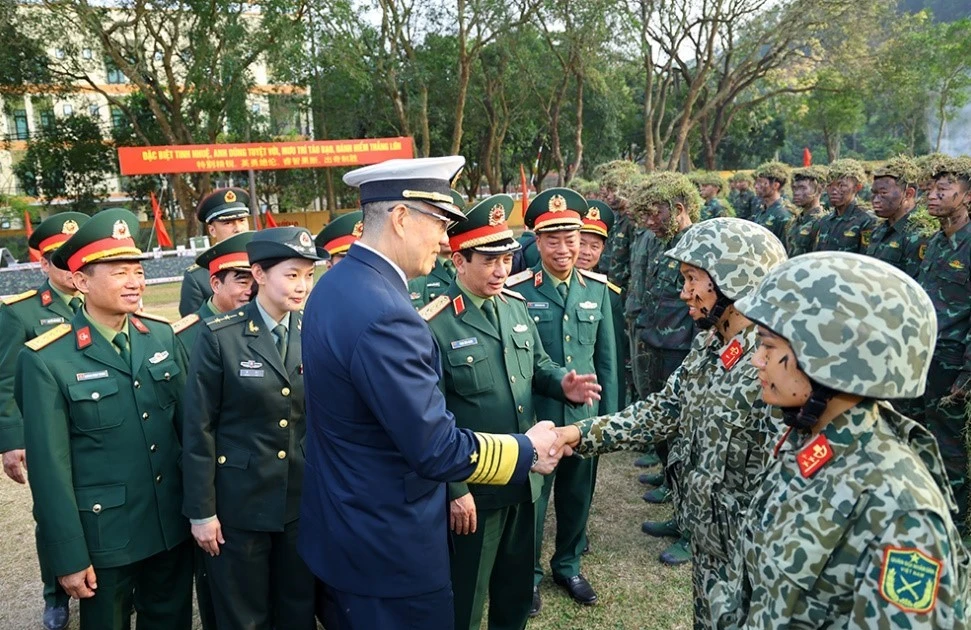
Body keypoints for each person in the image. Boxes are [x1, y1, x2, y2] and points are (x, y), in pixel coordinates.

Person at [299, 156, 599, 629]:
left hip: (347, 531)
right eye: (439, 223)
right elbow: (435, 448)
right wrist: (527, 449)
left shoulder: (336, 285)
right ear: (400, 218)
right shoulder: (387, 313)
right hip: (389, 549)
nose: (444, 240)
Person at [709, 251, 970, 628]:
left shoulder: (902, 513)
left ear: (828, 357)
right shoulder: (813, 440)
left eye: (768, 345)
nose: (757, 360)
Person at [552, 218, 788, 629]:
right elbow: (663, 410)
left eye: (692, 279)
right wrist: (578, 433)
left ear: (733, 278)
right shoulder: (711, 343)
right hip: (710, 549)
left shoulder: (775, 365)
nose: (683, 293)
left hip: (753, 561)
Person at [17, 209, 192, 630]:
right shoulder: (47, 359)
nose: (135, 282)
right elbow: (49, 471)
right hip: (104, 538)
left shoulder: (162, 336)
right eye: (118, 273)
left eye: (136, 271)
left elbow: (188, 434)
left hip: (170, 525)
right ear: (80, 281)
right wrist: (68, 555)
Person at [427, 194, 593, 630]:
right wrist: (455, 488)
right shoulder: (434, 324)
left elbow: (536, 366)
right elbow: (431, 417)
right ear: (459, 262)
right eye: (489, 261)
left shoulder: (514, 307)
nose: (502, 270)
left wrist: (562, 382)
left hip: (525, 477)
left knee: (516, 590)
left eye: (506, 258)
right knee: (466, 596)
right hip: (476, 489)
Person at [182, 227, 321, 630]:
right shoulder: (219, 336)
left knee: (297, 609)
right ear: (259, 274)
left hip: (298, 502)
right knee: (244, 616)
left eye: (308, 275)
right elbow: (199, 429)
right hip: (239, 505)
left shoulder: (312, 331)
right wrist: (202, 512)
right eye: (291, 274)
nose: (302, 286)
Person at [506, 187, 619, 613]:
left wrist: (607, 421)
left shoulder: (597, 288)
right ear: (537, 242)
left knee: (577, 497)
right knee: (534, 500)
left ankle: (568, 565)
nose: (564, 248)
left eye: (571, 238)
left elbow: (606, 360)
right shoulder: (518, 290)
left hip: (584, 416)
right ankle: (529, 575)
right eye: (552, 239)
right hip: (538, 418)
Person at [0, 211, 88, 630]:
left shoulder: (103, 299)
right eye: (60, 258)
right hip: (49, 434)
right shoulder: (21, 312)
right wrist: (11, 439)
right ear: (43, 263)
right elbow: (4, 380)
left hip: (99, 427)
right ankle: (55, 594)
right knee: (53, 513)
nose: (71, 268)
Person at [625, 172, 699, 565]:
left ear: (680, 208)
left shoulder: (699, 244)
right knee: (667, 432)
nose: (649, 221)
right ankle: (678, 509)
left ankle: (691, 530)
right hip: (657, 344)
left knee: (688, 444)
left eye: (656, 213)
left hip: (683, 352)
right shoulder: (663, 242)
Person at [915, 155, 971, 539]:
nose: (932, 197)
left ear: (967, 196)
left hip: (955, 362)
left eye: (943, 189)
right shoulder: (934, 242)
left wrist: (968, 371)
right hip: (923, 358)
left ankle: (957, 524)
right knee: (919, 437)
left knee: (950, 448)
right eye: (929, 190)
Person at [172, 231, 256, 352]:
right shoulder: (185, 337)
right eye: (243, 282)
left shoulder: (263, 324)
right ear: (216, 284)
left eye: (256, 284)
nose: (251, 291)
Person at [179, 187, 252, 316]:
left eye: (242, 220)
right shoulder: (198, 277)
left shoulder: (263, 263)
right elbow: (192, 329)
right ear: (212, 230)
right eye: (228, 223)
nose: (238, 229)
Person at [865, 155, 931, 279]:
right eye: (874, 193)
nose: (876, 200)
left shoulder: (919, 233)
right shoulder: (880, 229)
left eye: (883, 193)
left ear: (908, 193)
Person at [408, 190, 465, 307]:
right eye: (442, 227)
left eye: (453, 228)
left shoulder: (469, 264)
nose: (447, 237)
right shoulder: (418, 270)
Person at [813, 158, 876, 254]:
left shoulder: (867, 221)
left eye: (841, 185)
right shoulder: (825, 221)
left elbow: (867, 260)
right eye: (830, 185)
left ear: (857, 187)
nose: (834, 191)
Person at [785, 166, 830, 257]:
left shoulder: (823, 223)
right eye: (795, 188)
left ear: (819, 189)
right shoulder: (794, 222)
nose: (796, 192)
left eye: (803, 188)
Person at [750, 161, 794, 245]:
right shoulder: (763, 210)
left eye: (761, 182)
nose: (756, 186)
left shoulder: (783, 215)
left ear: (775, 185)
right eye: (756, 183)